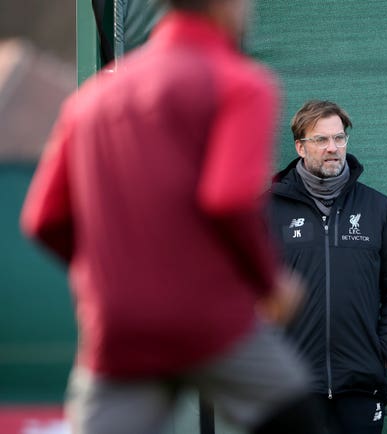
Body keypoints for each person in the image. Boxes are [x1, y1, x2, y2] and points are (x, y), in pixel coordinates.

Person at [20, 1, 324, 433]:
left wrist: (114, 280)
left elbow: (44, 220)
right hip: (212, 323)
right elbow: (230, 198)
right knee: (298, 420)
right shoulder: (241, 83)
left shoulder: (91, 100)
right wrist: (270, 283)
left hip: (120, 330)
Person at [266, 100, 387, 434]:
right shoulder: (268, 210)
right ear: (300, 147)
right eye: (321, 140)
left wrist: (381, 352)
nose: (333, 148)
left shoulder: (377, 207)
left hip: (360, 385)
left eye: (340, 138)